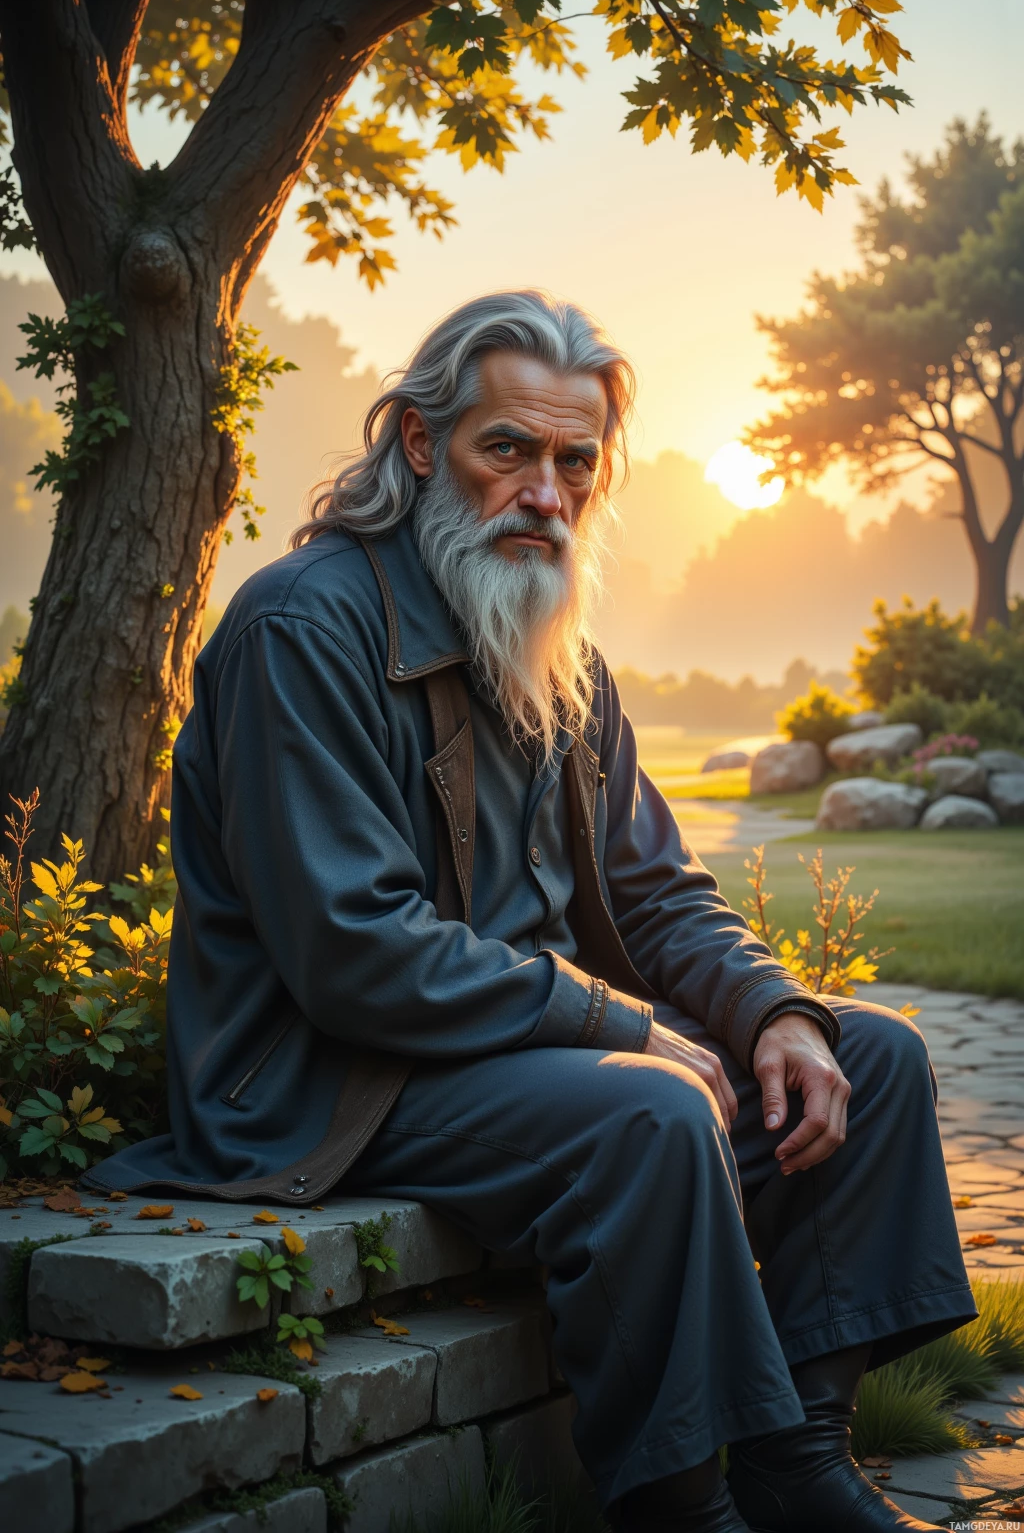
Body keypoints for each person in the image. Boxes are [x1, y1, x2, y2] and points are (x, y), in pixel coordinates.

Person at [87, 291, 976, 1532]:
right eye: (505, 449)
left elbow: (659, 892)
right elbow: (351, 948)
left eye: (573, 462)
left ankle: (800, 1463)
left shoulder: (559, 652)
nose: (544, 493)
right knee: (652, 1112)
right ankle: (680, 1508)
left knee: (864, 1056)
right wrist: (608, 1021)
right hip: (333, 1080)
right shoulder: (304, 626)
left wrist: (771, 1010)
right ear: (415, 444)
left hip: (515, 1056)